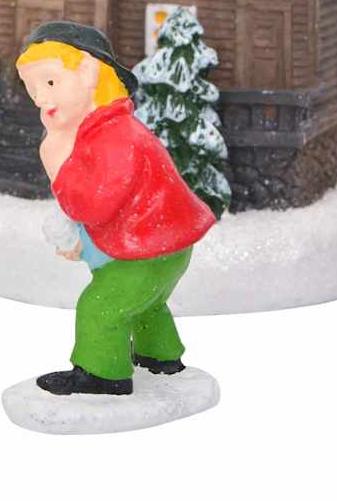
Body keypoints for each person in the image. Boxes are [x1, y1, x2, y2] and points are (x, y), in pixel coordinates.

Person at [16, 20, 215, 395]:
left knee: (101, 307)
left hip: (147, 251)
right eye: (32, 88)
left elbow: (91, 207)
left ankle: (102, 375)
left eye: (51, 82)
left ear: (90, 73)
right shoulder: (103, 130)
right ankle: (160, 356)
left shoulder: (114, 137)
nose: (40, 98)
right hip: (164, 246)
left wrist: (56, 162)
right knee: (146, 303)